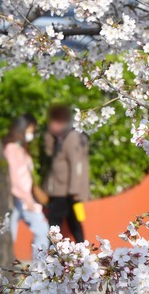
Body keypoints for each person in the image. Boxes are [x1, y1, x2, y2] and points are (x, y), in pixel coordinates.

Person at [3, 114, 49, 260]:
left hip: (20, 197)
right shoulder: (12, 149)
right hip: (22, 198)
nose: (32, 133)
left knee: (10, 234)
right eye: (31, 129)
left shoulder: (16, 147)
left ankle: (4, 266)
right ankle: (40, 268)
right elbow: (16, 177)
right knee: (42, 230)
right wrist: (28, 200)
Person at [43, 104, 90, 243]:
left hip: (65, 191)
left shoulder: (72, 137)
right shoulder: (60, 137)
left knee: (54, 222)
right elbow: (49, 152)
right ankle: (81, 248)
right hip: (60, 189)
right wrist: (49, 135)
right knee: (73, 222)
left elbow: (77, 165)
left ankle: (51, 253)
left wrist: (74, 190)